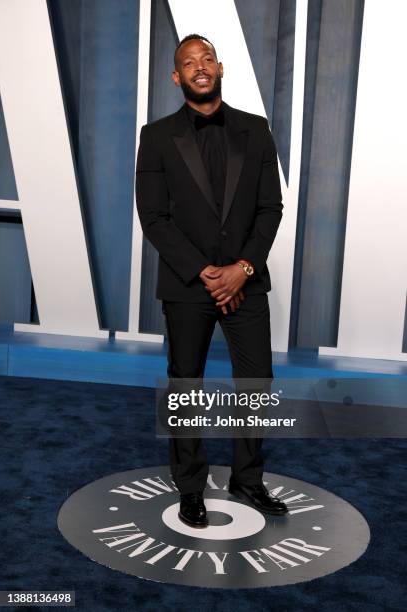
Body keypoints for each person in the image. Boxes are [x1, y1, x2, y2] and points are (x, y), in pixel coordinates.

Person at [135, 33, 288, 527]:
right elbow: (153, 216)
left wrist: (242, 268)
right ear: (176, 77)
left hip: (246, 280)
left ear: (220, 68)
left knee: (255, 384)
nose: (199, 67)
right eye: (188, 63)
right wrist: (206, 272)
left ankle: (248, 479)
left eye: (206, 59)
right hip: (187, 285)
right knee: (186, 386)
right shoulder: (155, 136)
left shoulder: (256, 130)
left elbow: (271, 208)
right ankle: (191, 487)